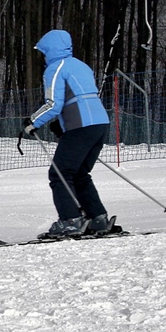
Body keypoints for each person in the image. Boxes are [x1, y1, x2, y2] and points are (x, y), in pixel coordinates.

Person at [23, 29, 112, 239]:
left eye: (44, 52)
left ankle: (70, 220)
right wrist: (64, 126)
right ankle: (98, 218)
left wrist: (33, 121)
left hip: (81, 125)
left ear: (51, 49)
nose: (43, 57)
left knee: (59, 174)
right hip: (99, 123)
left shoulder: (55, 68)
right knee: (79, 174)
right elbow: (81, 97)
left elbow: (54, 104)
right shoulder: (80, 65)